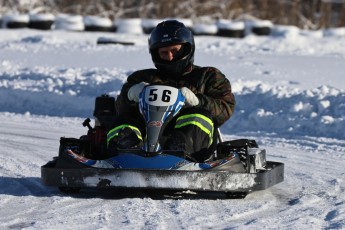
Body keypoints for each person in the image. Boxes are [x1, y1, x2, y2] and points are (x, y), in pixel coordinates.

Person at [107, 20, 235, 162]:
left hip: (189, 150)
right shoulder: (142, 78)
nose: (170, 57)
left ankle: (177, 153)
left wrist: (198, 101)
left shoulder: (209, 75)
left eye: (174, 51)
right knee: (124, 120)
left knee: (198, 117)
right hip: (145, 139)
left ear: (187, 48)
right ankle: (125, 155)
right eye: (164, 53)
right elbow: (119, 110)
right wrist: (130, 95)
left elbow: (225, 108)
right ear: (156, 55)